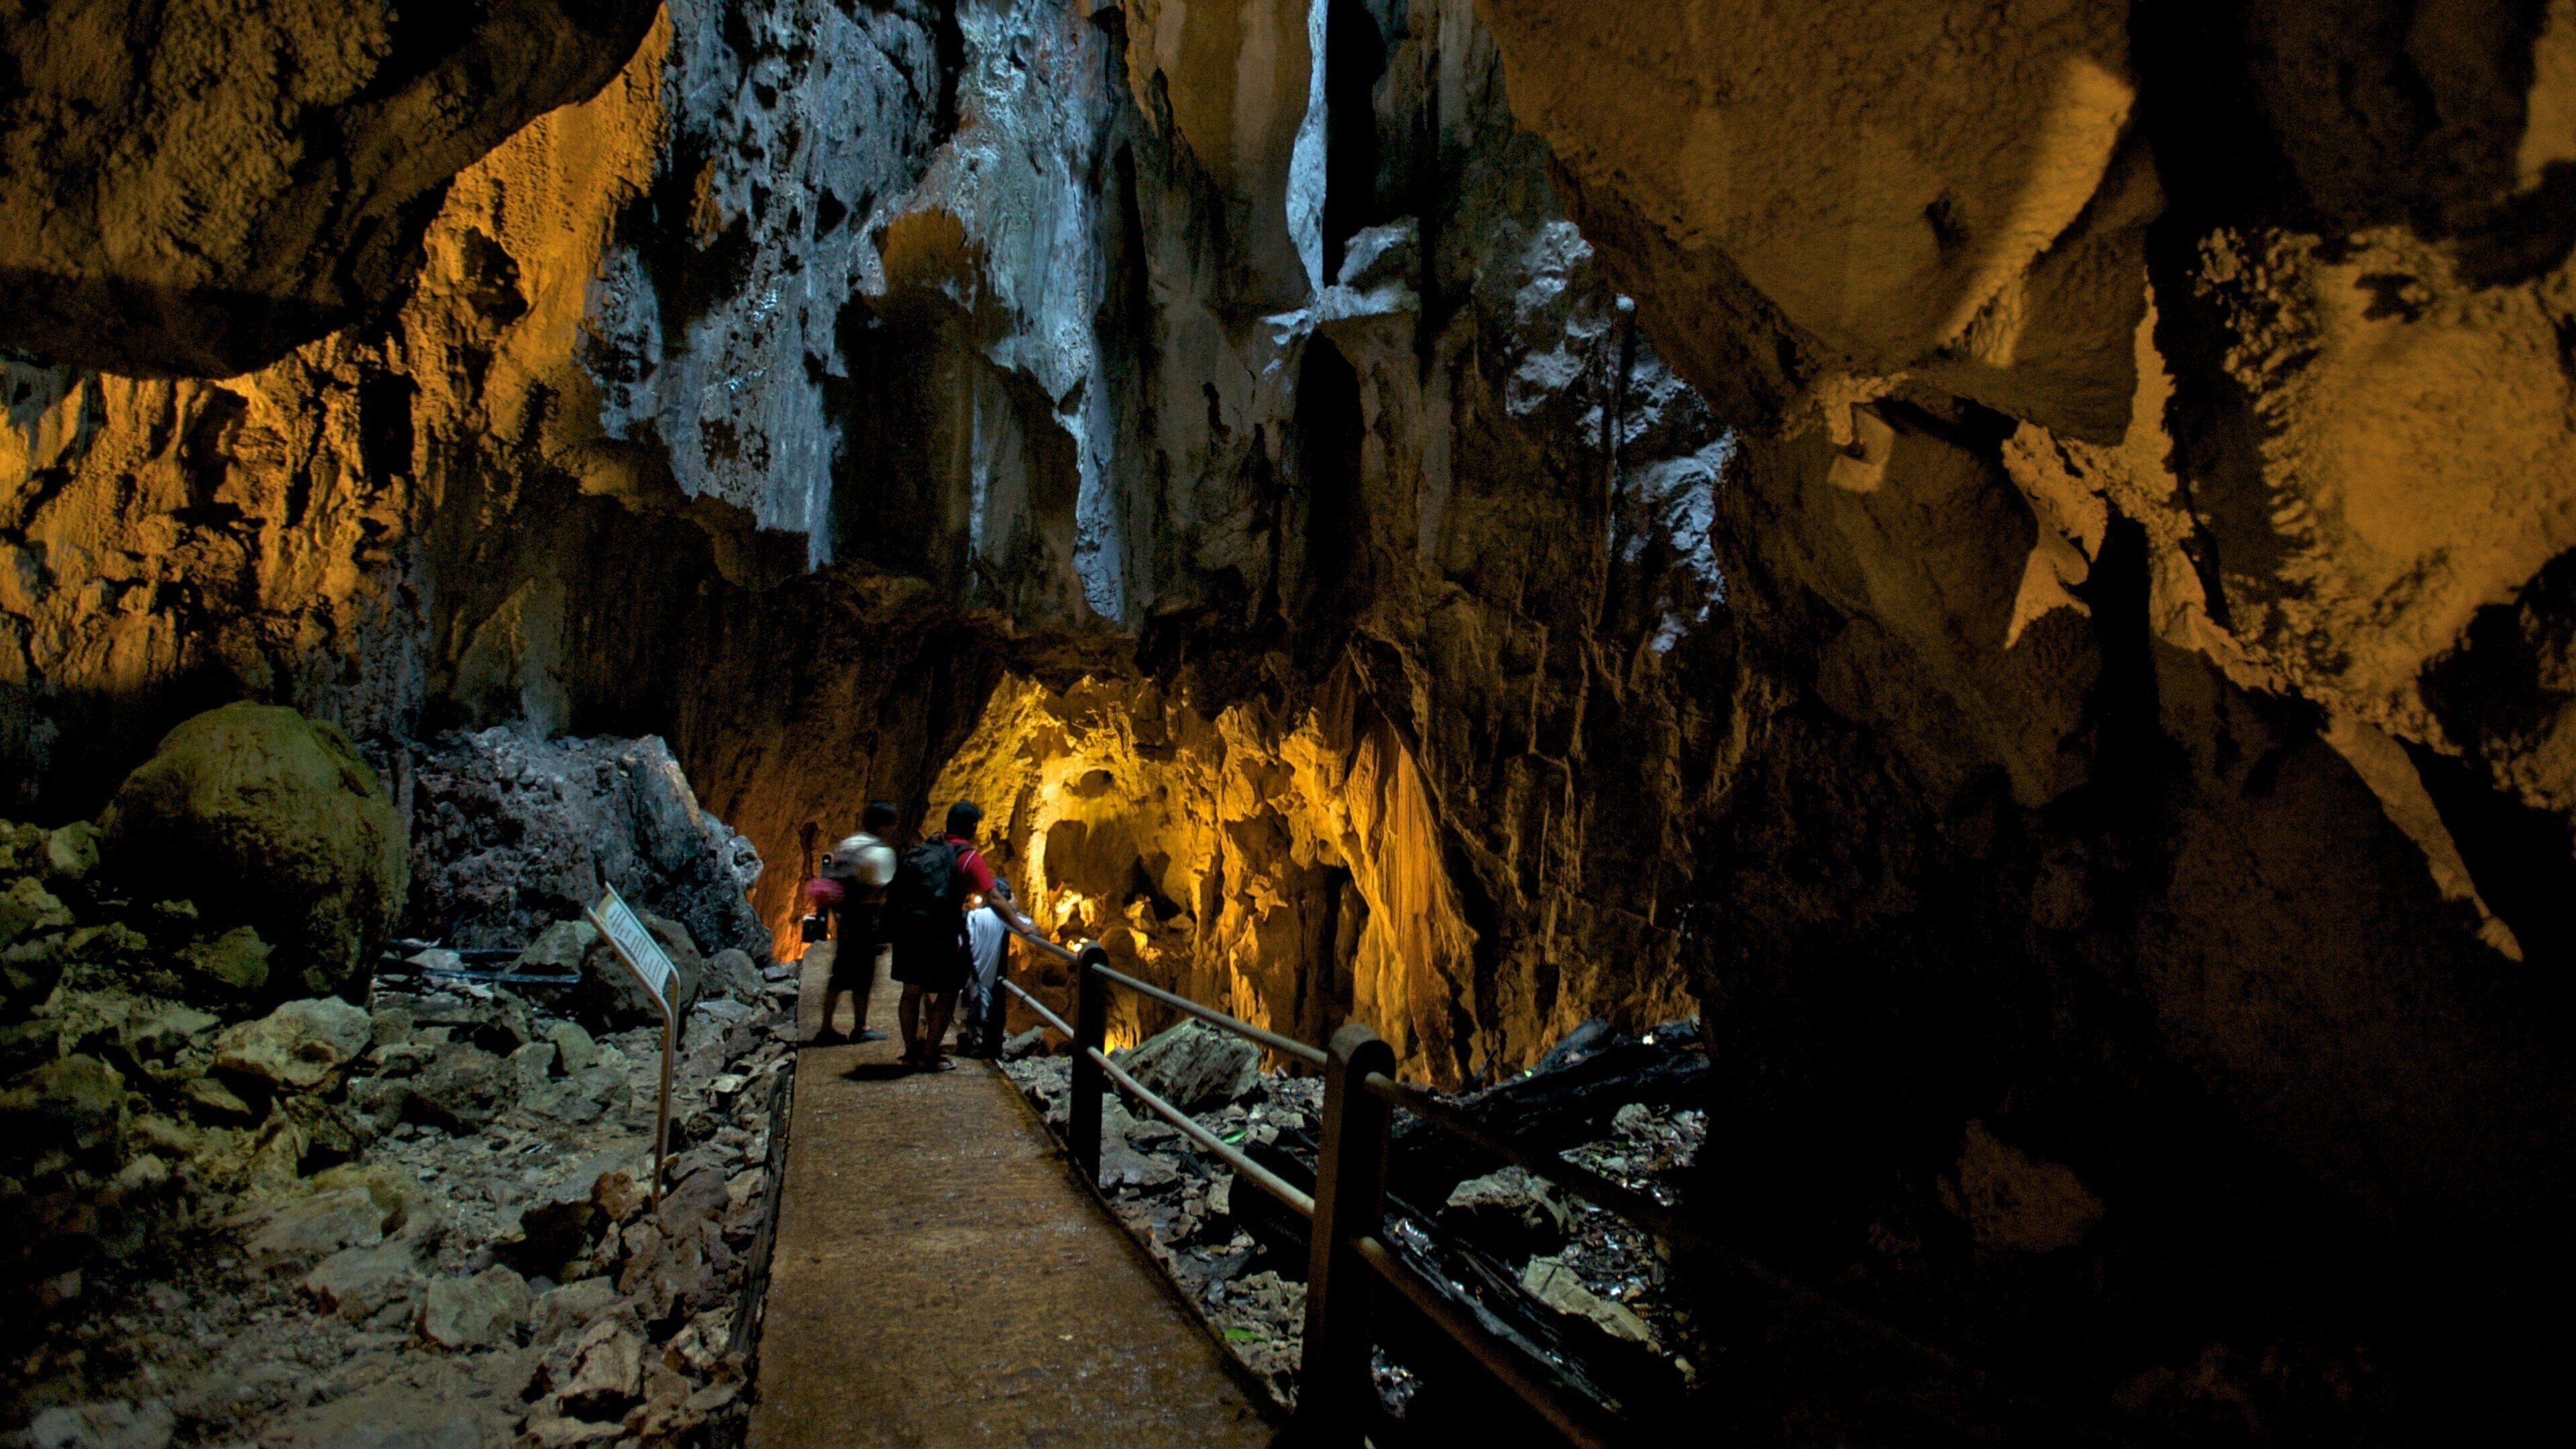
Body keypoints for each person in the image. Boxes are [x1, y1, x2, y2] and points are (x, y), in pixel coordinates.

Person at [885, 800, 1038, 1070]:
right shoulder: (967, 857)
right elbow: (994, 897)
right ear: (973, 827)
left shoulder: (929, 848)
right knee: (947, 993)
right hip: (939, 935)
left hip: (909, 930)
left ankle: (910, 1054)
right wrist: (1021, 925)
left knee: (911, 992)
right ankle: (929, 1055)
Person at [813, 801, 899, 1045]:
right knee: (864, 977)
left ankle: (826, 1028)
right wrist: (883, 932)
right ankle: (861, 1027)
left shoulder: (848, 844)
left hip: (846, 919)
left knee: (838, 975)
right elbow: (879, 892)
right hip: (865, 920)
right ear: (886, 825)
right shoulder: (882, 853)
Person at [960, 876, 1016, 1057]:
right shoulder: (1005, 918)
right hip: (988, 974)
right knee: (986, 1004)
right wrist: (1013, 909)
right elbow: (1030, 925)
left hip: (972, 968)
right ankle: (986, 1045)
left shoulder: (975, 915)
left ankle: (973, 1037)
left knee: (973, 1001)